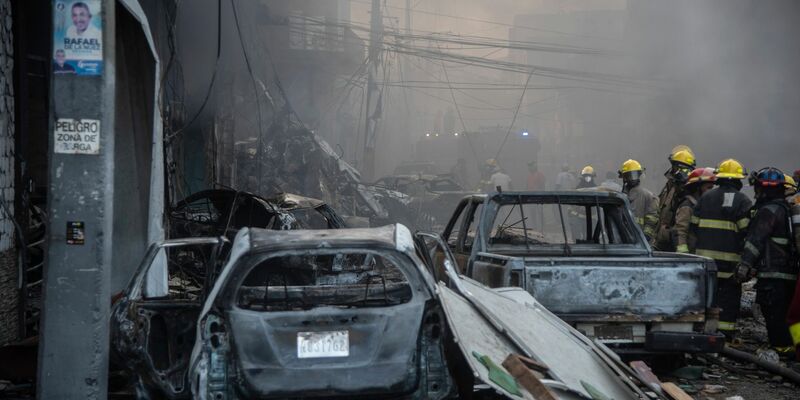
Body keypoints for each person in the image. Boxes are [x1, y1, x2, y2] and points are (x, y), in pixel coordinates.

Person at [733, 168, 797, 356]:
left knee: (774, 313)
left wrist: (744, 266)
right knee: (787, 313)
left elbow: (755, 241)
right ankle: (793, 347)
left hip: (772, 273)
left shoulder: (767, 212)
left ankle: (782, 348)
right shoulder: (787, 209)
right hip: (790, 273)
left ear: (761, 188)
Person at [691, 158, 752, 340]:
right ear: (737, 180)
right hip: (730, 269)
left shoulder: (705, 199)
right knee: (728, 304)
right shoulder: (743, 201)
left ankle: (705, 332)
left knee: (708, 302)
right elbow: (747, 234)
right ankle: (725, 337)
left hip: (706, 266)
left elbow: (693, 230)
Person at [654, 147, 697, 251]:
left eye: (674, 167)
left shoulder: (687, 190)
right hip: (662, 242)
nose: (672, 170)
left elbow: (682, 225)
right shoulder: (670, 185)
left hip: (675, 243)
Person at [672, 167, 716, 253]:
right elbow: (680, 231)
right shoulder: (687, 207)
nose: (712, 191)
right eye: (709, 188)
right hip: (692, 256)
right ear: (697, 188)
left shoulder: (705, 205)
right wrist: (684, 254)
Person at [618, 159, 659, 240]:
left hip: (640, 241)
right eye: (629, 175)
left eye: (635, 175)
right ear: (624, 177)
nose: (632, 178)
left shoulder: (648, 196)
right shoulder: (620, 196)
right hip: (622, 239)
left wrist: (646, 235)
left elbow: (653, 218)